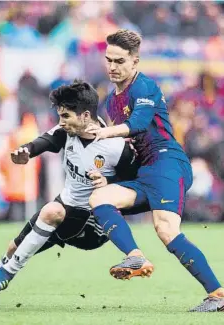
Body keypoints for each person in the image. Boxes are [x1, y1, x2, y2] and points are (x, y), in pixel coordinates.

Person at [85, 29, 224, 312]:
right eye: (109, 60)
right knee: (99, 198)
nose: (112, 67)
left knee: (166, 229)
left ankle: (218, 294)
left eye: (120, 61)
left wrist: (104, 133)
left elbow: (137, 124)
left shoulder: (144, 87)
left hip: (167, 162)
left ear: (135, 62)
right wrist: (109, 177)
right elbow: (132, 146)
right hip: (145, 171)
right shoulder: (112, 100)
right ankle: (135, 256)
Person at [0, 80, 140, 306]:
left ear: (85, 116)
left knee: (51, 211)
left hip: (93, 222)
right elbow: (45, 141)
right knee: (15, 247)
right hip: (65, 206)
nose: (60, 122)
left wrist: (109, 180)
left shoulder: (116, 146)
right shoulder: (67, 131)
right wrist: (27, 151)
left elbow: (136, 183)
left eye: (66, 116)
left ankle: (2, 277)